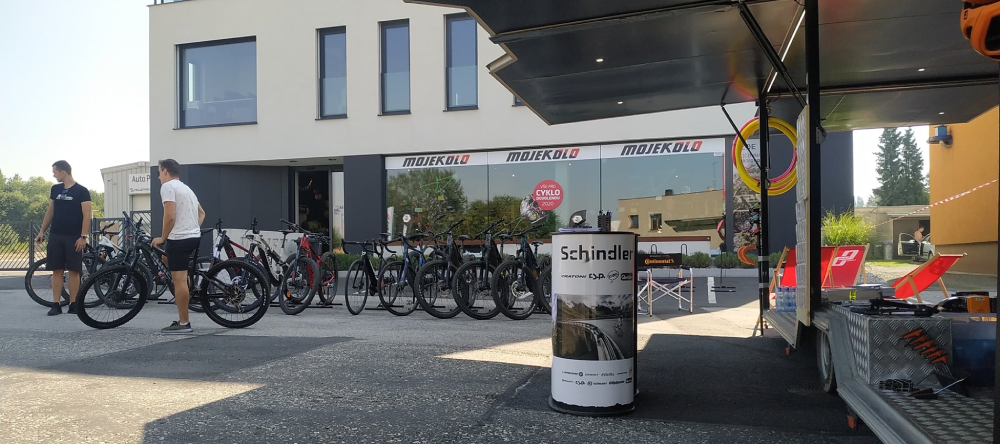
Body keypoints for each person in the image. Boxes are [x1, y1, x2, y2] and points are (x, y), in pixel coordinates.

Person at [151, 159, 206, 333]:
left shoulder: (167, 187)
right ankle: (187, 287)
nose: (158, 177)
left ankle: (184, 323)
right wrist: (193, 228)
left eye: (159, 172)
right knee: (166, 257)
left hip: (179, 239)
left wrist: (162, 238)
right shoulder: (186, 188)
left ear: (165, 171)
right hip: (193, 237)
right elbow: (202, 213)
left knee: (179, 280)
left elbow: (169, 216)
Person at [35, 160, 92, 316]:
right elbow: (50, 211)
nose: (53, 175)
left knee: (74, 270)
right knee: (57, 270)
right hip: (56, 235)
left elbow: (87, 215)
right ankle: (56, 304)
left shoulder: (82, 191)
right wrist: (42, 231)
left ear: (63, 172)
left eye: (55, 172)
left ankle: (73, 304)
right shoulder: (55, 189)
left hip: (74, 237)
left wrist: (83, 236)